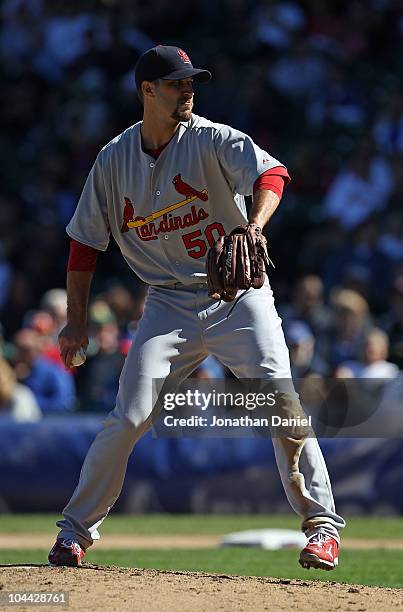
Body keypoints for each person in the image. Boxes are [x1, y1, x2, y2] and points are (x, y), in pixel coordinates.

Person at [48, 45, 345, 569]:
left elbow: (272, 175)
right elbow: (83, 245)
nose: (188, 90)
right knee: (129, 416)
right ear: (147, 91)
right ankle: (74, 533)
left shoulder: (209, 137)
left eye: (192, 82)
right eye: (177, 83)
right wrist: (75, 321)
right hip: (167, 303)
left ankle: (322, 527)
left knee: (281, 400)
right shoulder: (113, 160)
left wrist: (253, 227)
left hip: (238, 298)